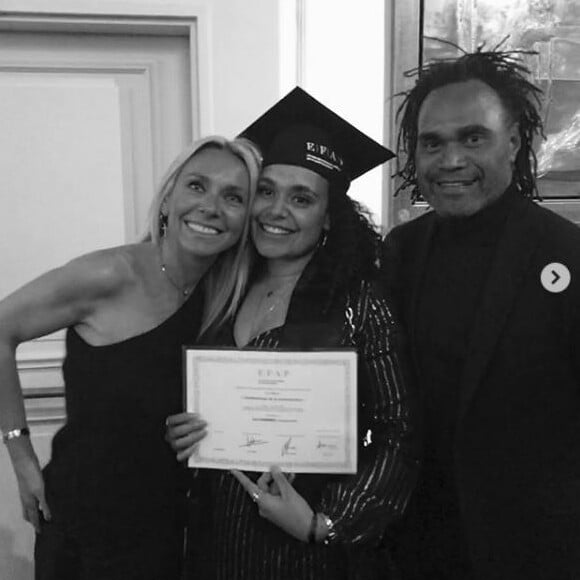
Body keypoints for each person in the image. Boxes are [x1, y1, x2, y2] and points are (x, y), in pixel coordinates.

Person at [167, 87, 419, 580]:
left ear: (327, 218)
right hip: (212, 542)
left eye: (301, 198)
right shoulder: (221, 288)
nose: (276, 210)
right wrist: (186, 429)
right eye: (267, 190)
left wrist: (325, 523)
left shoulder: (357, 305)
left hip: (305, 557)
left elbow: (400, 435)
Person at [0, 135, 261, 580]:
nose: (211, 206)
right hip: (88, 525)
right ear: (168, 198)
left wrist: (209, 426)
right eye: (197, 186)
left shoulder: (228, 296)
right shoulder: (109, 275)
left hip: (174, 527)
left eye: (233, 197)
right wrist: (21, 454)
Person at [383, 47, 580, 580]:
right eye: (432, 143)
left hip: (534, 547)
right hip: (418, 543)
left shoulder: (568, 256)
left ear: (513, 143)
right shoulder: (400, 251)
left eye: (474, 137)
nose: (450, 160)